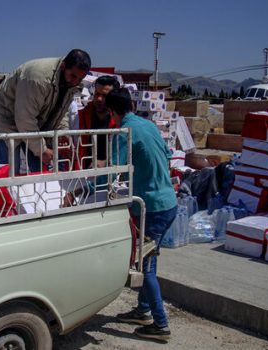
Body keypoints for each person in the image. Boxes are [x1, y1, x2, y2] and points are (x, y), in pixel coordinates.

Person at [104, 88, 177, 341]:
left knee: (145, 267)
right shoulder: (148, 125)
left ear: (112, 112)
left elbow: (111, 173)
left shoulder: (124, 132)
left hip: (151, 209)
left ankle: (160, 324)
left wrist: (83, 187)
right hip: (168, 203)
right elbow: (167, 156)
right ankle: (143, 310)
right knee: (150, 260)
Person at [0, 49, 91, 174]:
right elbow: (24, 118)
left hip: (33, 125)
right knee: (11, 172)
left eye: (80, 78)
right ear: (64, 66)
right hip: (7, 122)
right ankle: (8, 192)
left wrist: (62, 132)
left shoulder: (70, 83)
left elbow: (61, 110)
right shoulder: (37, 78)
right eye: (73, 76)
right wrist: (42, 150)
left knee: (40, 172)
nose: (75, 81)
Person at [77, 75, 120, 169]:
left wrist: (105, 163)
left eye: (104, 96)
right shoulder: (79, 117)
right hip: (82, 175)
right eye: (97, 94)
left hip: (110, 174)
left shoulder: (120, 122)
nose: (99, 99)